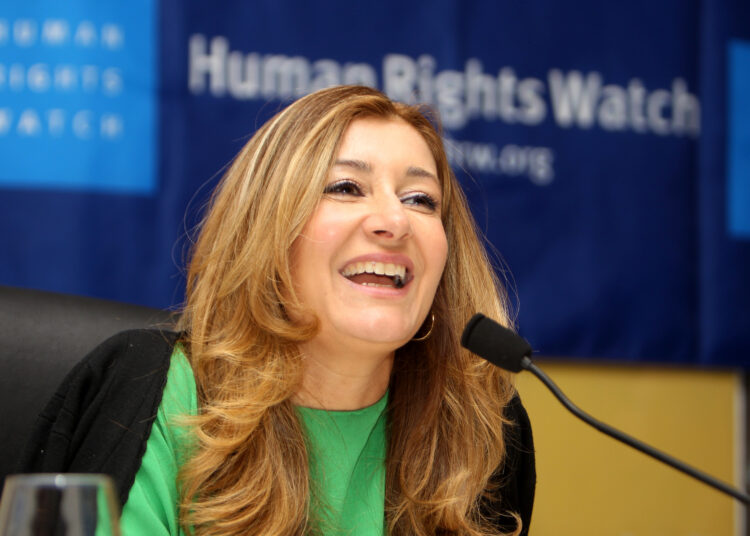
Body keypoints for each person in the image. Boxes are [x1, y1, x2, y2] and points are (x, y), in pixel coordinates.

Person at [22, 85, 535, 535]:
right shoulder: (156, 388)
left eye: (420, 199)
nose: (395, 221)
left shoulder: (480, 426)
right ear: (267, 231)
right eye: (346, 188)